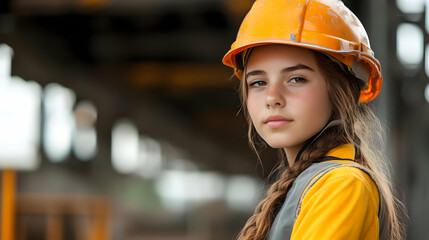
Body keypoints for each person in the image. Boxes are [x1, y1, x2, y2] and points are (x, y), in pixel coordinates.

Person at [222, 0, 406, 239]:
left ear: (338, 90)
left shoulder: (341, 185)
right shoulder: (310, 184)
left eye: (296, 79)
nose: (272, 98)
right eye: (258, 82)